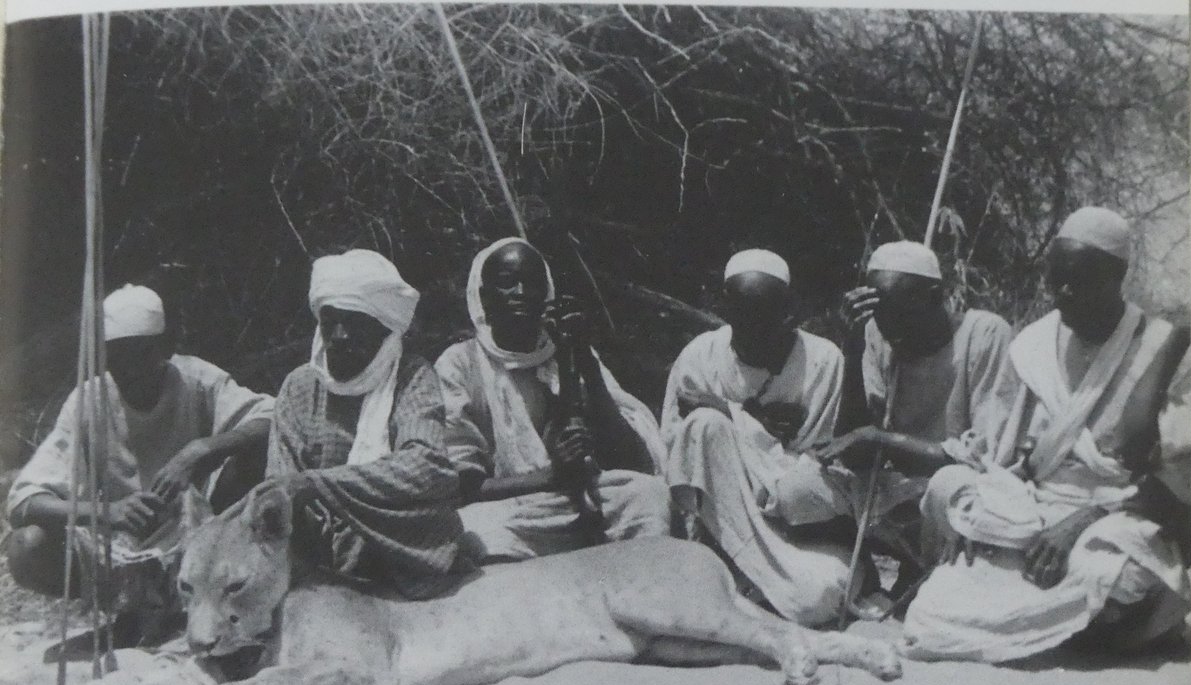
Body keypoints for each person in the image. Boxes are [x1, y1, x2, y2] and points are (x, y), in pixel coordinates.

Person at [903, 207, 1191, 662]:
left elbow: (1175, 487)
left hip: (1115, 516)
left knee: (1114, 575)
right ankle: (1062, 622)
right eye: (1054, 281)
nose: (1061, 295)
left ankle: (1042, 613)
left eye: (1077, 282)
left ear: (1116, 276)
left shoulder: (1161, 349)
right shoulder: (1034, 345)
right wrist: (1003, 487)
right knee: (947, 491)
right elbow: (1005, 456)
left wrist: (1079, 522)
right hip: (1035, 508)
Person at [6, 284, 273, 642]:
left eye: (140, 354)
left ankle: (195, 606)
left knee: (251, 455)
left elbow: (271, 416)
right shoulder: (90, 400)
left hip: (193, 540)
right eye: (116, 357)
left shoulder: (196, 380)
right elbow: (23, 503)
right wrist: (105, 511)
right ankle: (131, 611)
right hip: (119, 550)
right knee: (27, 546)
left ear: (166, 348)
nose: (128, 369)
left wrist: (202, 449)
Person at [782, 241, 1017, 608]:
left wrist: (880, 439)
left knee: (952, 491)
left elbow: (984, 458)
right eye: (881, 319)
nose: (891, 331)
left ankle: (928, 575)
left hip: (947, 491)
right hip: (895, 492)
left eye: (902, 316)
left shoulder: (984, 334)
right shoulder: (880, 334)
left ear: (936, 296)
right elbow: (858, 455)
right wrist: (853, 349)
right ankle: (865, 569)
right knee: (797, 490)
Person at [434, 237, 669, 562]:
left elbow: (635, 463)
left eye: (531, 284)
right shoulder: (460, 364)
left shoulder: (569, 352)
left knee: (647, 495)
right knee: (477, 532)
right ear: (485, 298)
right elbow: (463, 484)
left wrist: (585, 363)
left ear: (546, 295)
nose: (520, 293)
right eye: (506, 283)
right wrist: (550, 477)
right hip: (515, 509)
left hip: (581, 499)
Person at [661, 249, 848, 626]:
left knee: (815, 595)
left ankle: (754, 576)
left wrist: (734, 415)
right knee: (703, 425)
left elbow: (813, 463)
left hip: (790, 527)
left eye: (765, 320)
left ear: (789, 315)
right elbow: (677, 449)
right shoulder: (701, 356)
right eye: (741, 319)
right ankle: (710, 561)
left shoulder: (823, 360)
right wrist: (744, 420)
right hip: (721, 513)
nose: (752, 332)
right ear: (724, 311)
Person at [267, 249, 466, 599]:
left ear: (383, 330)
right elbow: (280, 486)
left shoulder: (412, 376)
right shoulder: (300, 387)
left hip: (402, 551)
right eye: (330, 322)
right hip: (321, 558)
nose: (340, 336)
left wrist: (321, 485)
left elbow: (426, 466)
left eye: (356, 323)